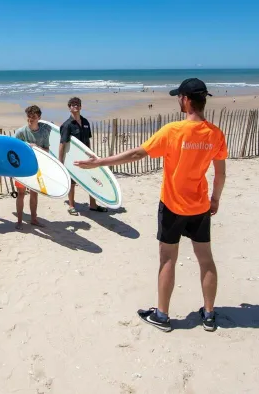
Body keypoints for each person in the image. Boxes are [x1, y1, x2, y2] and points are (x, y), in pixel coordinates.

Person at [75, 78, 227, 332]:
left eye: (179, 97)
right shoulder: (215, 134)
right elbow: (220, 173)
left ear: (186, 100)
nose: (178, 100)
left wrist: (100, 163)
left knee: (168, 259)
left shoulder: (173, 131)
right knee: (206, 260)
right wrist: (215, 199)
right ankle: (209, 315)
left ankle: (163, 316)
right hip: (200, 207)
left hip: (173, 205)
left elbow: (137, 154)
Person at [59, 97, 107, 215]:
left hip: (86, 157)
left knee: (91, 180)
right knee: (72, 182)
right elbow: (62, 144)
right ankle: (71, 206)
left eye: (78, 104)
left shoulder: (85, 122)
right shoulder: (67, 125)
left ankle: (93, 205)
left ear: (80, 107)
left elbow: (88, 140)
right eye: (73, 104)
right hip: (72, 158)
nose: (76, 106)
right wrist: (60, 162)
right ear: (69, 107)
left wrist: (91, 155)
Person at [14, 105, 51, 229]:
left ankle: (34, 219)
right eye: (29, 116)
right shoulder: (20, 132)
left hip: (36, 168)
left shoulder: (43, 132)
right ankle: (19, 221)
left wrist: (37, 148)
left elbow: (47, 150)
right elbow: (13, 150)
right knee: (21, 193)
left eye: (33, 116)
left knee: (34, 194)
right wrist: (26, 146)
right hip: (21, 168)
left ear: (39, 117)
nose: (30, 119)